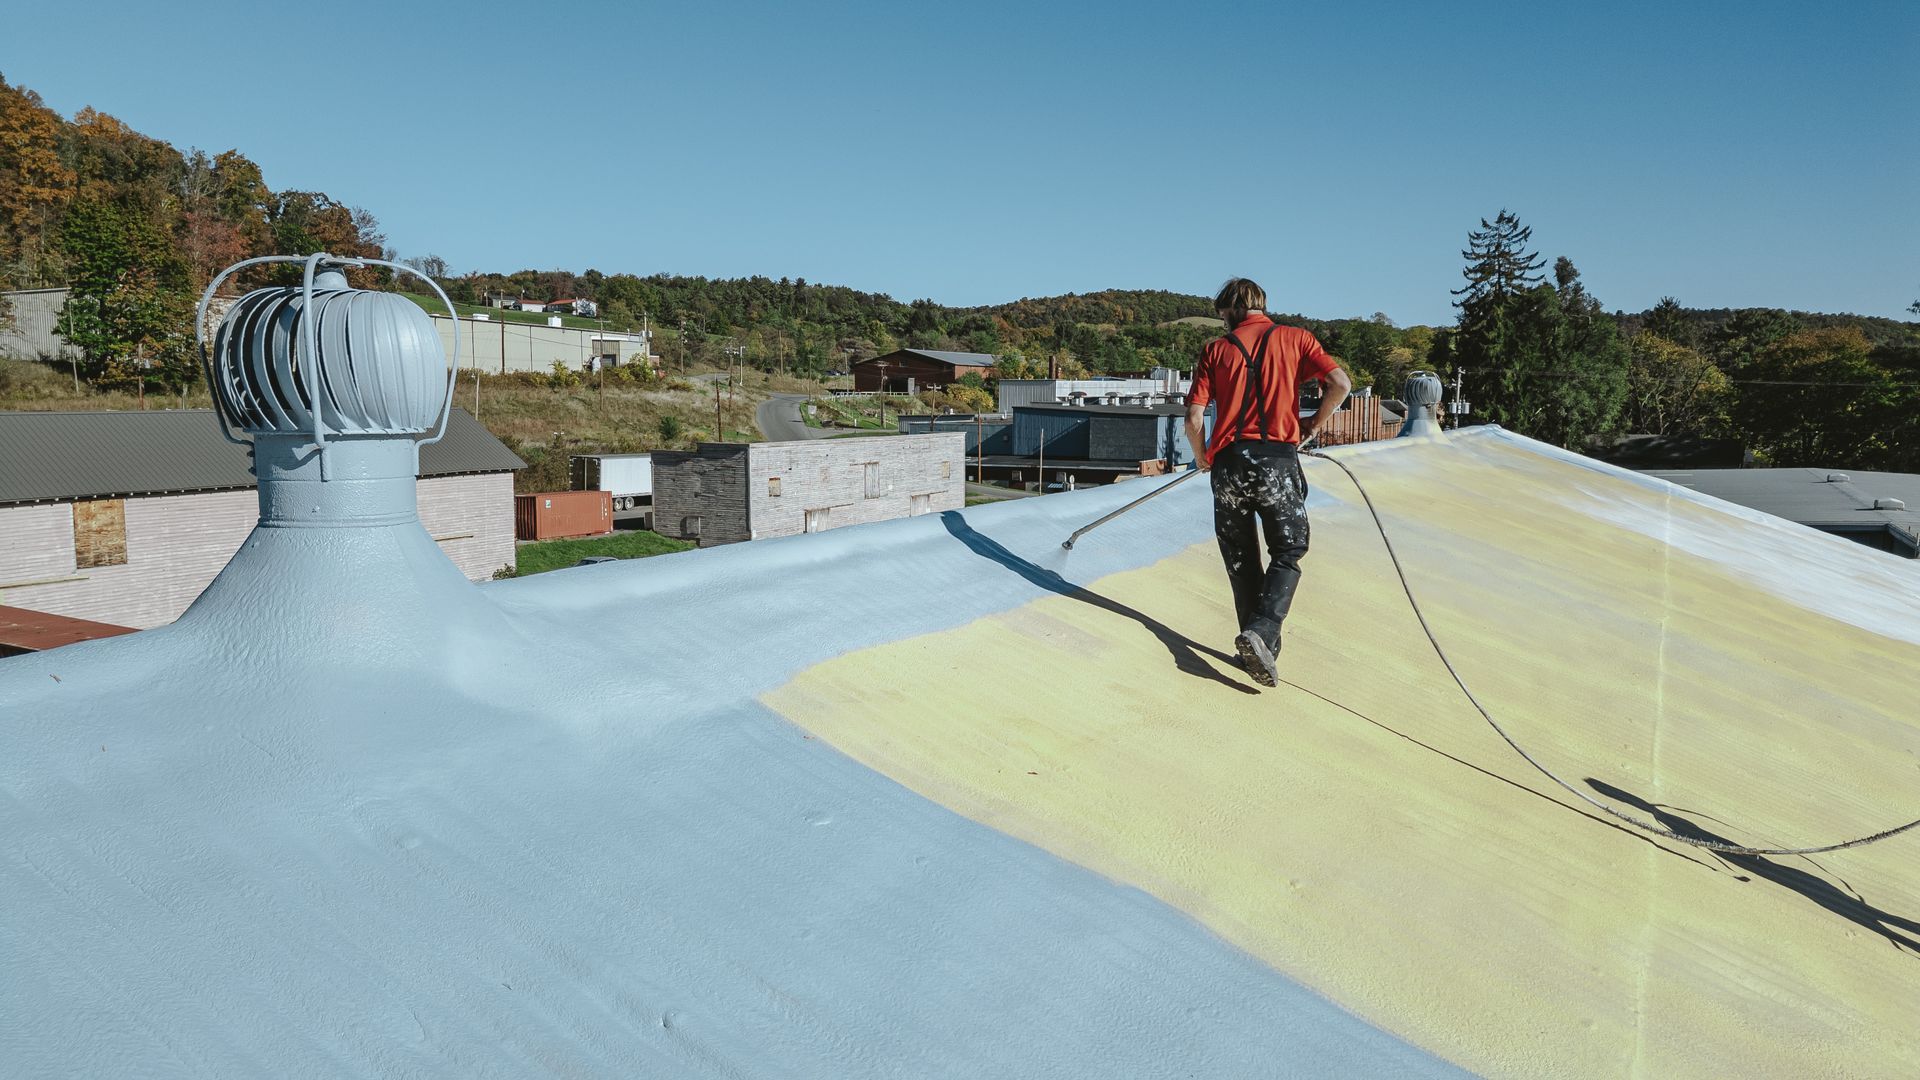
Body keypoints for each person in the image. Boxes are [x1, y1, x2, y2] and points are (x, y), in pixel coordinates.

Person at [1184, 278, 1351, 687]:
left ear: (1232, 309)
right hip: (1276, 461)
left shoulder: (1215, 350)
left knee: (1241, 559)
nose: (1223, 323)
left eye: (1223, 315)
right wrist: (1313, 422)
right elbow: (1341, 385)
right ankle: (1262, 634)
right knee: (1289, 548)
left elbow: (1192, 420)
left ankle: (1256, 648)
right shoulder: (1296, 338)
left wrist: (1203, 456)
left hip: (1227, 465)